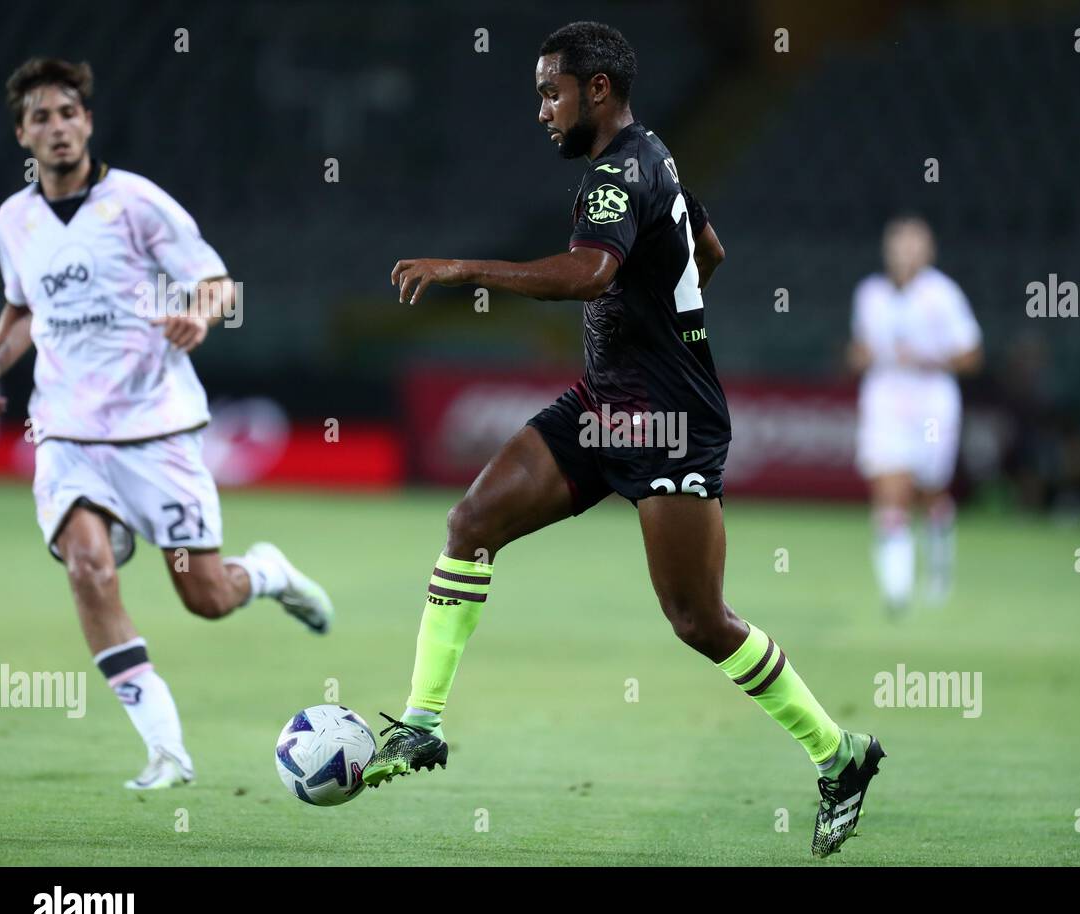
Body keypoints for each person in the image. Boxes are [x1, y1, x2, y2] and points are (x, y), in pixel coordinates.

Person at [364, 21, 885, 857]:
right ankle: (420, 723)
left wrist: (467, 271)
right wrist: (656, 320)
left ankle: (840, 754)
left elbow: (591, 272)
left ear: (596, 89)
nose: (542, 110)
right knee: (470, 526)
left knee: (696, 618)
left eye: (551, 91)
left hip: (670, 426)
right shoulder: (657, 156)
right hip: (607, 404)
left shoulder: (617, 171)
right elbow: (706, 249)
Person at [0, 58, 335, 789]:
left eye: (68, 113)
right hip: (67, 434)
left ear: (88, 122)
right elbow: (22, 307)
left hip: (157, 431)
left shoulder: (138, 203)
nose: (57, 127)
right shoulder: (13, 220)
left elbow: (213, 280)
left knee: (205, 597)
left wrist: (199, 317)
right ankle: (165, 748)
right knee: (88, 565)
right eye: (41, 117)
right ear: (22, 133)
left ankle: (267, 571)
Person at [848, 217, 982, 612]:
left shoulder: (943, 295)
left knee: (931, 491)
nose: (904, 253)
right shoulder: (870, 294)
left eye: (913, 245)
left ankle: (939, 562)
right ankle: (897, 588)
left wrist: (928, 358)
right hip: (885, 398)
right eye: (898, 244)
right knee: (891, 487)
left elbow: (972, 355)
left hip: (931, 403)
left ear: (928, 251)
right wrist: (862, 357)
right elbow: (858, 349)